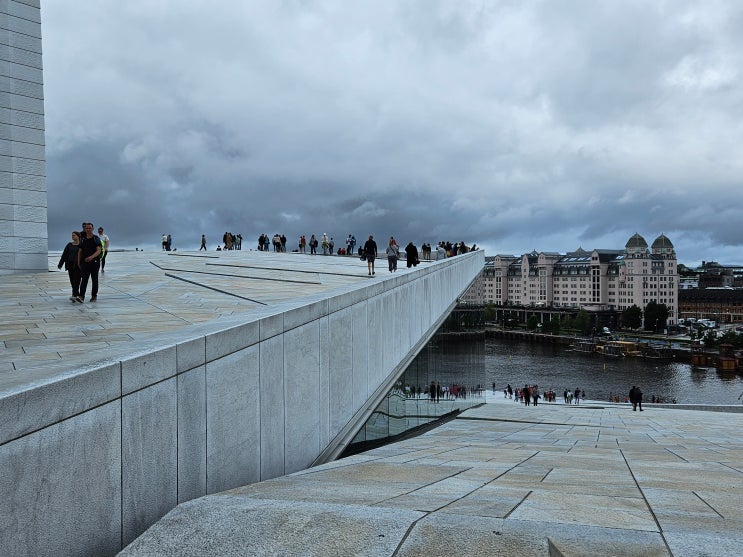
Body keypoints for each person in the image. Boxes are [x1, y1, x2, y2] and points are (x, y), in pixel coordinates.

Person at [77, 222, 102, 303]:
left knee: (94, 279)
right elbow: (80, 252)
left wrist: (91, 257)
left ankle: (94, 296)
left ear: (93, 228)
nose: (88, 229)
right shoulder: (82, 239)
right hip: (84, 262)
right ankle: (81, 297)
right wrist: (78, 262)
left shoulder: (96, 238)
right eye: (86, 228)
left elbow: (99, 250)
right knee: (84, 279)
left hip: (94, 262)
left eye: (89, 228)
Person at [58, 230, 81, 302]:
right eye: (72, 235)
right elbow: (64, 254)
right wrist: (60, 264)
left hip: (78, 266)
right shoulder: (69, 245)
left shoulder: (81, 245)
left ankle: (75, 295)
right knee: (72, 281)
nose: (72, 236)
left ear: (78, 236)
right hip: (70, 265)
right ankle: (75, 294)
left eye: (74, 235)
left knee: (77, 281)